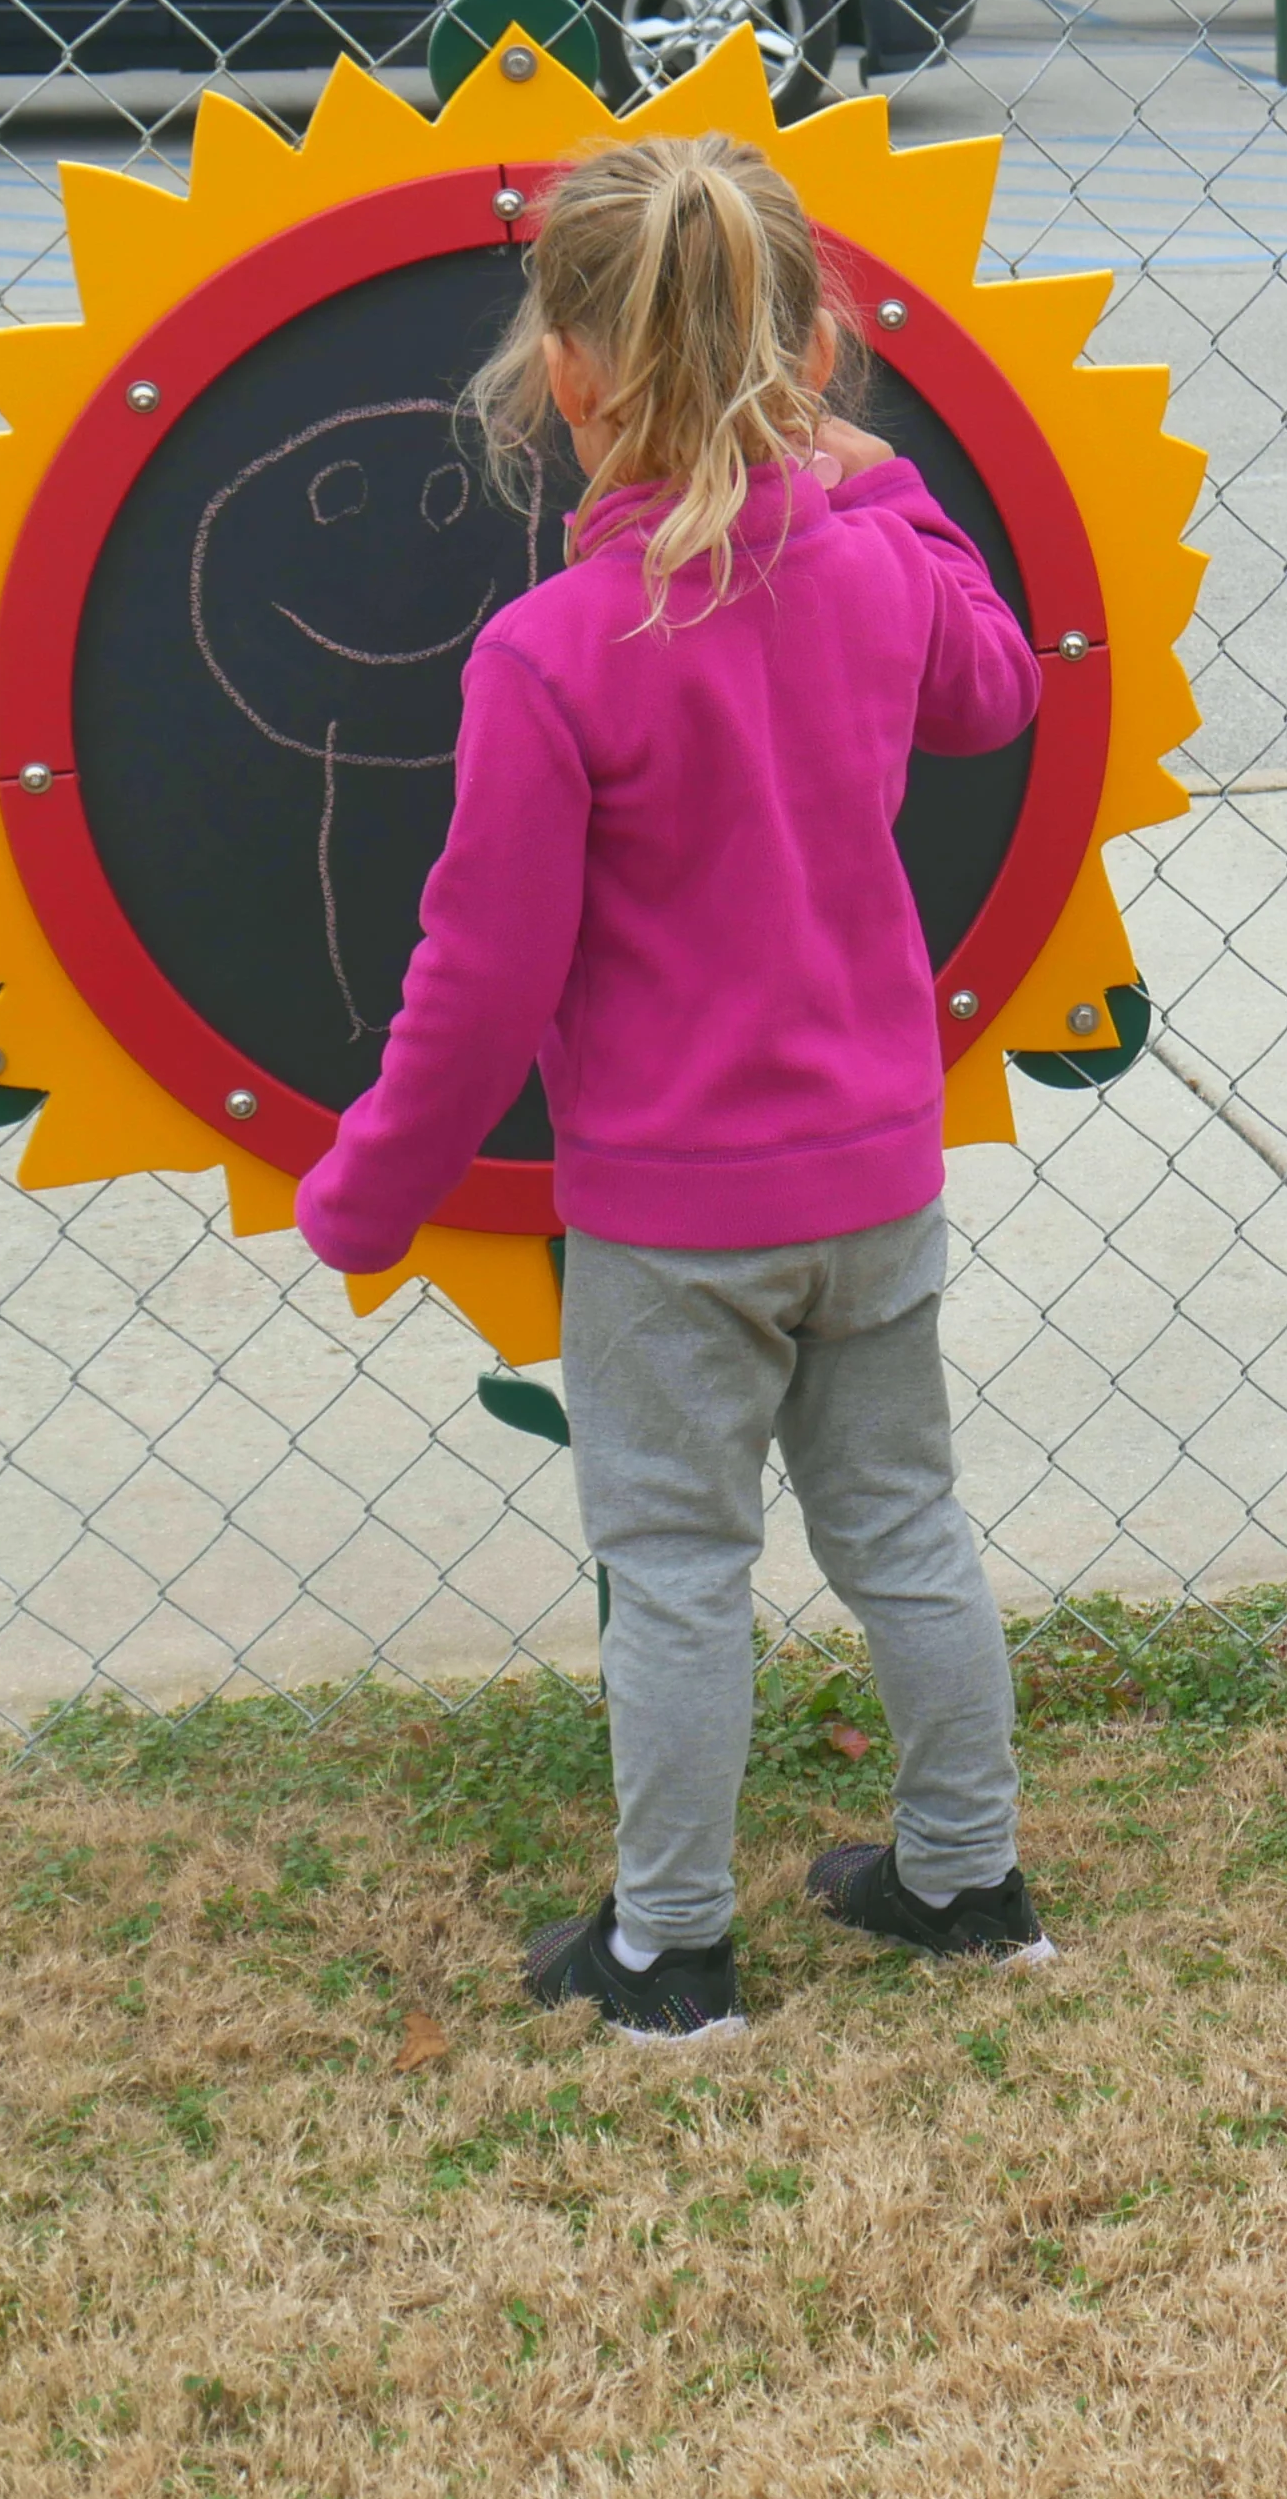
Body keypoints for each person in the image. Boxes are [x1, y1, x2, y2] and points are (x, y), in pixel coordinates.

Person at [296, 134, 1052, 2040]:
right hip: (876, 1185)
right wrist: (889, 492)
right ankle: (969, 1879)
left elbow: (480, 978)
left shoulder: (551, 655)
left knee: (678, 1565)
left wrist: (369, 1189)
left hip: (666, 1221)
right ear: (812, 351)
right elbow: (999, 693)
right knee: (907, 1532)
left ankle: (673, 1947)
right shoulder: (877, 568)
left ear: (562, 372)